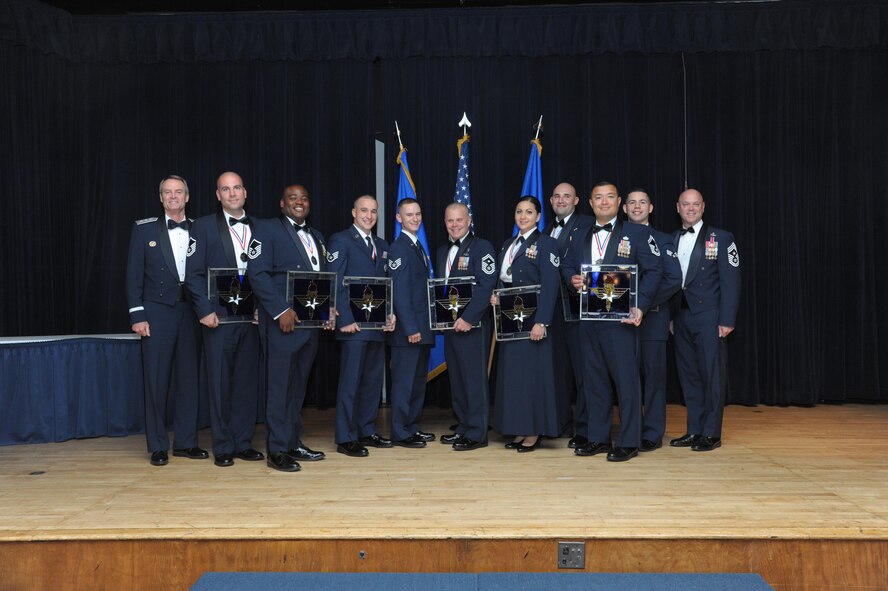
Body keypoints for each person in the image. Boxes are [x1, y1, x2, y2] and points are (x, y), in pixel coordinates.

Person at [561, 181, 663, 462]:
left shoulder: (637, 232)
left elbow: (655, 271)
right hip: (589, 319)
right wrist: (572, 280)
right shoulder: (579, 232)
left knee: (626, 381)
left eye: (609, 197)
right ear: (590, 204)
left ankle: (629, 441)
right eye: (598, 198)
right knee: (594, 381)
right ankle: (598, 438)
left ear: (619, 202)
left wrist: (640, 305)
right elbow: (567, 264)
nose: (604, 202)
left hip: (621, 320)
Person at [247, 184, 331, 472]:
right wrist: (280, 310)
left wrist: (328, 308)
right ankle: (277, 450)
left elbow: (320, 281)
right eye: (293, 198)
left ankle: (293, 441)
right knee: (279, 387)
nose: (299, 202)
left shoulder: (317, 236)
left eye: (304, 198)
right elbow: (256, 273)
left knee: (297, 389)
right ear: (282, 204)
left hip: (311, 326)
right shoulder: (267, 230)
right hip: (282, 325)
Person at [126, 175, 206, 466]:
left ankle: (186, 442)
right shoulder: (143, 228)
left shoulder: (201, 228)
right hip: (157, 312)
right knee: (156, 380)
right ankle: (158, 445)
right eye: (167, 193)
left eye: (179, 192)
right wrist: (138, 315)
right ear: (161, 198)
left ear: (187, 197)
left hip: (192, 313)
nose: (173, 197)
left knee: (189, 379)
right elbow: (134, 275)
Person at [184, 171, 263, 468]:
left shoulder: (262, 227)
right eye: (225, 189)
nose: (232, 194)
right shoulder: (203, 227)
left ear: (245, 192)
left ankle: (243, 443)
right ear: (218, 195)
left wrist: (264, 308)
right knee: (219, 384)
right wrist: (204, 310)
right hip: (217, 320)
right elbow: (192, 275)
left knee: (246, 384)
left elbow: (266, 274)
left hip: (252, 321)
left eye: (237, 188)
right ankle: (223, 446)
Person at [670, 188, 741, 452]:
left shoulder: (722, 238)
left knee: (712, 376)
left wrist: (727, 319)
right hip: (681, 317)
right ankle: (694, 429)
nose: (690, 209)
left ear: (703, 206)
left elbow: (731, 281)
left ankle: (711, 432)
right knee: (689, 376)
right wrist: (671, 316)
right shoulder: (672, 238)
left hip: (711, 318)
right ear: (677, 207)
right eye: (685, 204)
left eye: (695, 204)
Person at [326, 195, 395, 457]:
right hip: (353, 326)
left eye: (373, 211)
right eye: (364, 210)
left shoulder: (381, 244)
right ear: (353, 212)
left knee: (371, 382)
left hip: (377, 327)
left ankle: (367, 429)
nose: (369, 215)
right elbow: (335, 280)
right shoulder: (341, 240)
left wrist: (390, 314)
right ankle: (345, 437)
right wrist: (344, 320)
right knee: (350, 383)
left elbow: (386, 285)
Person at [491, 196, 561, 452]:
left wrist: (542, 321)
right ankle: (520, 428)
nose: (523, 216)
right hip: (511, 321)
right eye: (519, 211)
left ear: (538, 216)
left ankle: (534, 432)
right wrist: (496, 295)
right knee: (514, 377)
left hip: (533, 321)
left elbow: (551, 285)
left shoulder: (547, 244)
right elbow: (505, 279)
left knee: (532, 377)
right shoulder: (508, 244)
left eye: (529, 212)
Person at [623, 189, 682, 451]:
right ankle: (630, 430)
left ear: (651, 208)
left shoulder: (663, 239)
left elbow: (672, 280)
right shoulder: (615, 238)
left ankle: (652, 433)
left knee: (653, 379)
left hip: (653, 320)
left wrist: (642, 306)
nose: (637, 207)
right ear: (624, 208)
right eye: (632, 202)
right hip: (620, 321)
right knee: (626, 378)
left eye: (642, 202)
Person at [436, 202, 497, 451]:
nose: (454, 225)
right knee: (458, 379)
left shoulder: (482, 247)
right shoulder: (442, 251)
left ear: (469, 220)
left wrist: (468, 318)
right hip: (450, 326)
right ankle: (463, 425)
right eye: (450, 221)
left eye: (459, 220)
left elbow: (486, 285)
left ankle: (477, 433)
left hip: (474, 325)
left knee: (474, 380)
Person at [543, 182, 593, 446]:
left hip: (579, 311)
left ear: (576, 201)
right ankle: (561, 424)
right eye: (557, 196)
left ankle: (584, 429)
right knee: (559, 374)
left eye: (567, 196)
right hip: (553, 313)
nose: (561, 200)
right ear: (551, 201)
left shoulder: (587, 224)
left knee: (583, 373)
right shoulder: (547, 230)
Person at [387, 198, 436, 448]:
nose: (415, 218)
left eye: (417, 214)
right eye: (409, 215)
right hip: (410, 331)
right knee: (404, 384)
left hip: (422, 328)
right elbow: (399, 293)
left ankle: (412, 426)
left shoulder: (417, 247)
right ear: (399, 218)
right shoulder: (398, 249)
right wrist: (411, 328)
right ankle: (399, 431)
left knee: (417, 383)